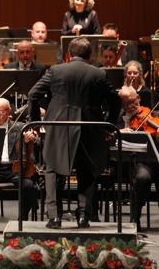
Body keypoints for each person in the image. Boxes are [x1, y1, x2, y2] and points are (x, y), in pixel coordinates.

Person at [28, 37, 120, 229]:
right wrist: (108, 125)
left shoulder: (56, 70)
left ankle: (54, 217)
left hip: (59, 126)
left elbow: (33, 95)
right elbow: (115, 100)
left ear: (69, 54)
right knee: (87, 171)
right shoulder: (98, 73)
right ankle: (83, 216)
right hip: (89, 126)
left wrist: (35, 122)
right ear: (90, 56)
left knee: (53, 169)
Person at [0, 98, 38, 232]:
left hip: (15, 169)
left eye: (0, 112)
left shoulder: (20, 127)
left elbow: (37, 142)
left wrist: (30, 139)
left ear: (9, 111)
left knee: (28, 186)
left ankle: (21, 221)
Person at [117, 86, 159, 230]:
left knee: (143, 177)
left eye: (134, 101)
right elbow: (108, 136)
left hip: (144, 163)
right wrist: (119, 132)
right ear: (121, 103)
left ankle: (136, 216)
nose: (132, 105)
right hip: (121, 163)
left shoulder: (153, 115)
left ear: (139, 98)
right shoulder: (117, 116)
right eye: (127, 103)